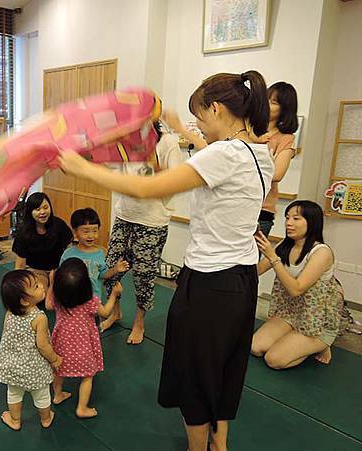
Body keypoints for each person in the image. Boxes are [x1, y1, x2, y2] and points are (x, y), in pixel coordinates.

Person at [59, 71, 274, 451]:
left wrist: (82, 168)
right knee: (224, 367)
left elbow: (146, 186)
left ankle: (196, 447)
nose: (200, 129)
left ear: (218, 109)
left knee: (194, 372)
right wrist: (181, 128)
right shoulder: (258, 152)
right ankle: (218, 443)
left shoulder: (224, 154)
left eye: (201, 119)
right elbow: (214, 150)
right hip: (241, 283)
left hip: (210, 285)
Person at [101, 127, 183, 344]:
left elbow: (177, 179)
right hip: (124, 215)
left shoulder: (168, 142)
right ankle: (115, 311)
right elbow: (113, 170)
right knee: (111, 267)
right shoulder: (125, 140)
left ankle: (139, 322)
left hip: (151, 221)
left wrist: (154, 168)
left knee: (143, 275)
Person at [252, 201, 343, 369]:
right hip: (290, 312)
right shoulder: (284, 246)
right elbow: (255, 272)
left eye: (296, 218)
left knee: (274, 360)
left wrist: (273, 257)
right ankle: (293, 339)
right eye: (287, 217)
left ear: (312, 222)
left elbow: (296, 289)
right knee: (255, 347)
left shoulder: (321, 252)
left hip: (315, 320)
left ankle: (323, 344)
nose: (289, 222)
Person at [47, 258, 122, 418]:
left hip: (61, 346)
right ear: (86, 286)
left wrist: (52, 284)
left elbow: (47, 305)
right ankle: (82, 408)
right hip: (84, 348)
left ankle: (57, 395)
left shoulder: (58, 299)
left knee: (58, 371)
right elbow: (106, 312)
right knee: (88, 376)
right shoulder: (90, 301)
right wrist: (114, 295)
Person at [0, 270, 62, 430]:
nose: (42, 287)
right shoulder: (39, 318)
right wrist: (55, 359)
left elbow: (6, 334)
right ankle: (46, 419)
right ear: (24, 300)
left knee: (14, 393)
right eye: (36, 286)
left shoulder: (9, 313)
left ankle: (15, 420)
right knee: (42, 394)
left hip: (12, 367)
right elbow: (43, 345)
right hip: (34, 369)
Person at [257, 82, 299, 237]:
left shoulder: (285, 138)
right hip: (234, 203)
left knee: (247, 259)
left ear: (284, 109)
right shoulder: (247, 128)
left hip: (262, 209)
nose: (266, 105)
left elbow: (277, 175)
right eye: (265, 99)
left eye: (273, 102)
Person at [60, 207, 129, 301]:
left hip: (93, 300)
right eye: (86, 231)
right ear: (75, 232)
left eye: (95, 231)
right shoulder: (68, 254)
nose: (91, 235)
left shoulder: (100, 253)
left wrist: (115, 269)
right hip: (73, 300)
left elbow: (102, 274)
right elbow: (61, 276)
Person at [12, 192, 73, 292]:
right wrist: (18, 285)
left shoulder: (59, 224)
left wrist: (65, 269)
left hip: (58, 269)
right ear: (30, 212)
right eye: (37, 209)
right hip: (36, 270)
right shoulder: (24, 232)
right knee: (40, 292)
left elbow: (69, 249)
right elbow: (20, 265)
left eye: (45, 207)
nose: (42, 212)